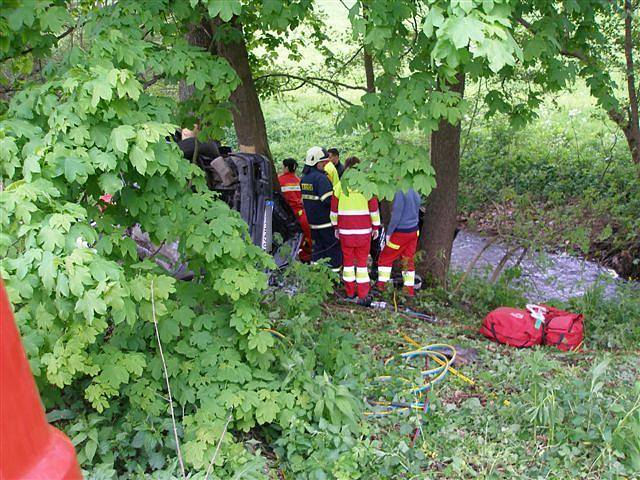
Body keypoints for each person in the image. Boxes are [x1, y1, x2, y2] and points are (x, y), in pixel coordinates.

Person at [330, 156, 380, 303]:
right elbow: (374, 210)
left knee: (348, 264)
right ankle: (363, 294)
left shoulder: (339, 186)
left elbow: (333, 212)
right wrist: (375, 227)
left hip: (345, 233)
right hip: (364, 233)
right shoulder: (367, 186)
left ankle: (350, 293)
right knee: (363, 264)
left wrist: (335, 227)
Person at [300, 146, 342, 271]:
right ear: (316, 163)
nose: (325, 164)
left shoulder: (304, 179)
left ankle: (317, 276)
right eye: (323, 162)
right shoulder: (321, 179)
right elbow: (329, 201)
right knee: (333, 252)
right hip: (326, 224)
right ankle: (334, 280)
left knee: (317, 252)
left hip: (313, 224)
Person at [376, 188, 421, 296]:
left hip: (401, 233)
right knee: (407, 260)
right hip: (414, 231)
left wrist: (389, 233)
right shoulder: (414, 189)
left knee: (385, 258)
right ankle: (409, 291)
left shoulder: (400, 191)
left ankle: (382, 288)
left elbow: (396, 215)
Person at [278, 158, 312, 262]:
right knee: (305, 236)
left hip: (287, 215)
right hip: (301, 213)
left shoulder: (279, 180)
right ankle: (305, 255)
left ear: (287, 168)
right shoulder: (299, 181)